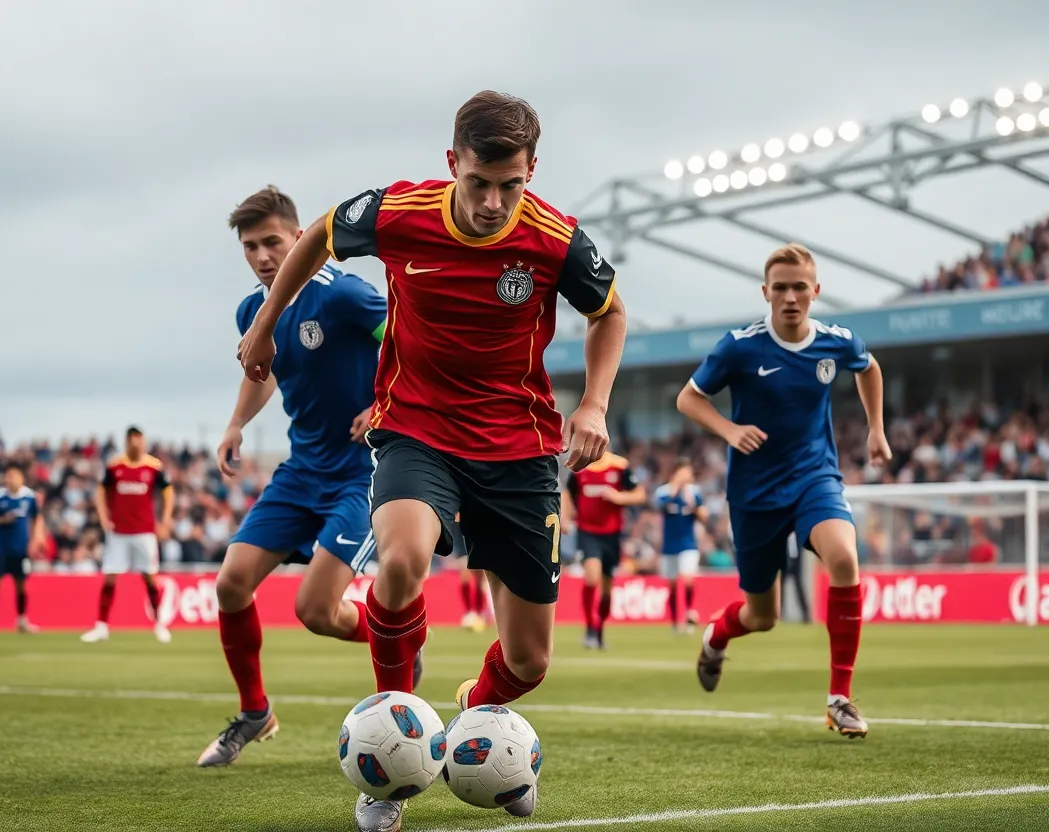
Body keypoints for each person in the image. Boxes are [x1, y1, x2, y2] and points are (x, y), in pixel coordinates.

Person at [237, 91, 625, 831]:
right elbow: (318, 234)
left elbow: (610, 312)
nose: (492, 202)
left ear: (531, 173)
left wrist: (596, 404)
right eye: (479, 182)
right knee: (403, 560)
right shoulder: (400, 212)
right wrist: (265, 326)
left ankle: (477, 722)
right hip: (416, 428)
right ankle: (392, 762)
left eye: (510, 186)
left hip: (520, 449)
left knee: (531, 662)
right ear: (454, 164)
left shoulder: (554, 239)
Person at [197, 186, 394, 769]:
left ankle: (403, 634)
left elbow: (409, 341)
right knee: (231, 584)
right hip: (301, 471)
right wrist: (235, 423)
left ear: (300, 235)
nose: (262, 256)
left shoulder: (346, 296)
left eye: (273, 242)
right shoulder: (250, 311)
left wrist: (385, 402)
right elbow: (262, 370)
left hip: (362, 474)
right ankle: (255, 712)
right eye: (251, 246)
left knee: (315, 611)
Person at [676, 243, 890, 740]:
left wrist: (876, 429)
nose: (791, 297)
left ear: (816, 291)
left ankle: (839, 697)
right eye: (781, 288)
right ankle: (716, 637)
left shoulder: (837, 341)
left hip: (815, 477)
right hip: (753, 493)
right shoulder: (740, 346)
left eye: (800, 287)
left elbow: (870, 368)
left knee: (843, 556)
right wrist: (729, 431)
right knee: (762, 615)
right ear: (765, 292)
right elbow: (688, 398)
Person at [80, 427, 174, 644]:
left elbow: (168, 492)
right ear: (126, 442)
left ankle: (159, 624)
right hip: (118, 532)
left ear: (144, 442)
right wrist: (104, 516)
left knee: (149, 576)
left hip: (144, 532)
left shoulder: (154, 466)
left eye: (139, 440)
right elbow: (101, 490)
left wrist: (166, 519)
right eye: (132, 440)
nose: (136, 444)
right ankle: (101, 626)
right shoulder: (114, 466)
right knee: (110, 576)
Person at [562, 451, 644, 649]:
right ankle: (590, 628)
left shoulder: (619, 466)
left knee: (607, 591)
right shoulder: (580, 468)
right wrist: (565, 517)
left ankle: (599, 630)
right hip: (587, 533)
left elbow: (640, 495)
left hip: (612, 535)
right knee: (592, 578)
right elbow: (567, 493)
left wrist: (619, 496)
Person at [0, 463, 45, 633]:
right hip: (1, 548)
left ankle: (22, 620)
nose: (10, 479)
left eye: (13, 475)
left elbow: (37, 518)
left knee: (21, 585)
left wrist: (37, 537)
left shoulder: (29, 497)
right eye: (8, 475)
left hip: (21, 549)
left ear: (21, 477)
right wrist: (2, 520)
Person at [653, 457, 708, 634]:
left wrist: (695, 505)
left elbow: (704, 516)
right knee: (672, 584)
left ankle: (690, 612)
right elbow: (659, 507)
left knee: (688, 579)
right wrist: (675, 490)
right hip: (669, 544)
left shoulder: (694, 492)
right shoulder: (664, 491)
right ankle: (676, 622)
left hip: (688, 543)